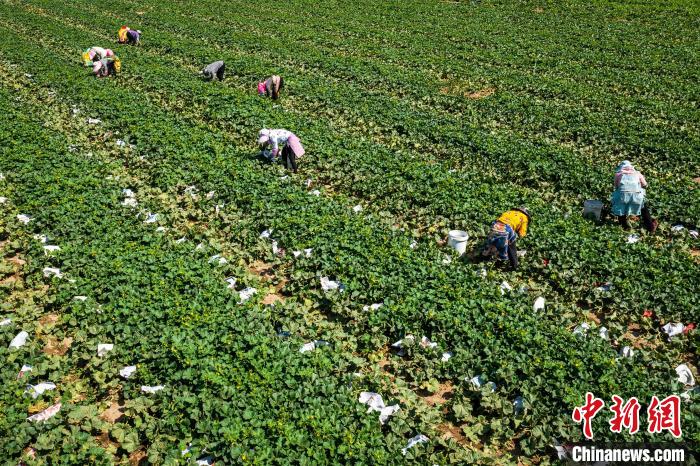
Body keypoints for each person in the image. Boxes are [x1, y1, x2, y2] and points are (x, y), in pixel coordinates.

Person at [611, 161, 657, 232]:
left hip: (623, 196)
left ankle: (624, 227)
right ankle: (650, 227)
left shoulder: (618, 174)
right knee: (643, 208)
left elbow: (616, 186)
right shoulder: (637, 173)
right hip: (636, 197)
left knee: (621, 209)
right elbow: (645, 184)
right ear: (631, 167)